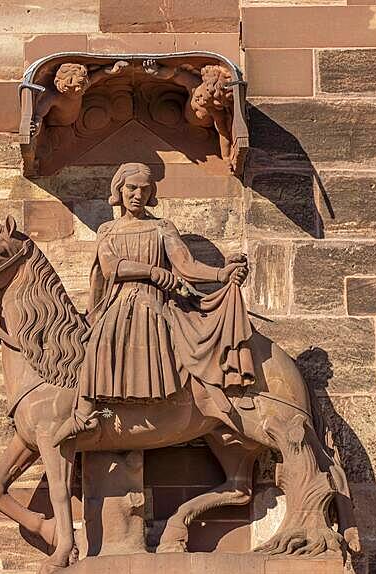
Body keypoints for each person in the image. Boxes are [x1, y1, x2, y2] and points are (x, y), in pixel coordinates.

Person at [53, 162, 256, 444]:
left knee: (186, 344)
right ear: (119, 190)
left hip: (153, 305)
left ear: (151, 194)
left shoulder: (162, 227)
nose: (137, 194)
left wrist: (221, 273)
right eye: (131, 188)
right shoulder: (107, 231)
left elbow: (187, 265)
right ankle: (84, 416)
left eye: (144, 189)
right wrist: (152, 271)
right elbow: (111, 268)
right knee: (97, 341)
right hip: (120, 303)